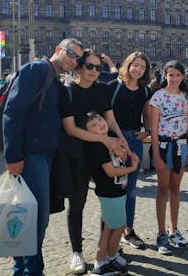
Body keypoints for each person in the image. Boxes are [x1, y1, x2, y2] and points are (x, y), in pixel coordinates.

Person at [3, 38, 83, 276]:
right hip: (31, 155)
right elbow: (12, 111)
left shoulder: (53, 77)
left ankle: (21, 269)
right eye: (70, 53)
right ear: (58, 50)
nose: (73, 59)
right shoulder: (37, 69)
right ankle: (32, 271)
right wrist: (13, 156)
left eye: (77, 57)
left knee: (30, 216)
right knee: (36, 219)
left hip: (44, 155)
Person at [60, 49, 134, 274]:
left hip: (104, 153)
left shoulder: (100, 89)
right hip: (78, 154)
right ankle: (77, 252)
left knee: (110, 199)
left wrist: (122, 143)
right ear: (78, 68)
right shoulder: (68, 92)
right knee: (78, 203)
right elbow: (71, 129)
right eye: (90, 66)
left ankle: (109, 250)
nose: (94, 71)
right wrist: (104, 139)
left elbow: (111, 119)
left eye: (98, 67)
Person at [78, 111, 138, 275]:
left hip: (117, 191)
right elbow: (111, 171)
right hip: (109, 193)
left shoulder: (110, 138)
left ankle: (108, 259)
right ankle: (103, 262)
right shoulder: (97, 147)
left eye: (99, 119)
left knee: (114, 227)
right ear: (89, 133)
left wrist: (122, 151)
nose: (99, 124)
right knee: (113, 228)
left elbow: (121, 159)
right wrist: (132, 168)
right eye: (93, 125)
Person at [106, 52, 152, 250]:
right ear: (128, 65)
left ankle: (128, 231)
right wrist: (119, 138)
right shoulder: (113, 87)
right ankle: (111, 234)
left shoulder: (145, 90)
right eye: (135, 65)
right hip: (115, 140)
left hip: (134, 140)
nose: (138, 69)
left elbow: (147, 113)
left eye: (142, 67)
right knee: (114, 189)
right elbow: (108, 116)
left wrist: (147, 131)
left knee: (131, 189)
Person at [149, 60, 188, 255]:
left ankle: (173, 230)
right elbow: (153, 129)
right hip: (164, 146)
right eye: (171, 75)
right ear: (165, 75)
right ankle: (161, 234)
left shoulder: (186, 97)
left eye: (178, 75)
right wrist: (156, 155)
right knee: (163, 189)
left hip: (182, 146)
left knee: (175, 188)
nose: (174, 78)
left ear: (183, 76)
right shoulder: (158, 96)